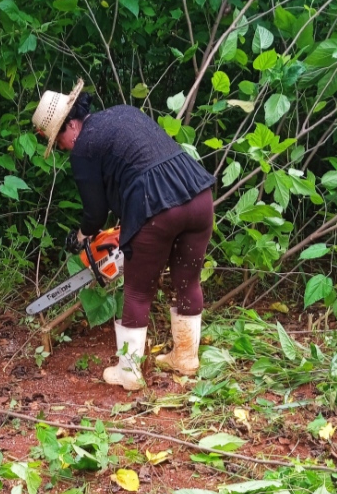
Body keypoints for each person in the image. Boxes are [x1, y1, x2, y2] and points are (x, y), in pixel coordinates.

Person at [32, 79, 215, 391]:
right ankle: (186, 358)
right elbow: (142, 163)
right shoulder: (124, 112)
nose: (62, 147)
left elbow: (95, 211)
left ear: (70, 125)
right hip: (197, 196)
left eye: (58, 140)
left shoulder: (84, 148)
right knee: (188, 280)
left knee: (137, 292)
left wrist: (82, 235)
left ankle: (129, 372)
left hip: (155, 208)